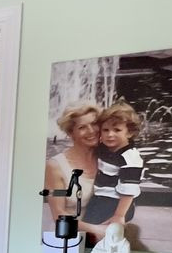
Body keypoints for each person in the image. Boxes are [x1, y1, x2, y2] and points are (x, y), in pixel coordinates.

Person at [44, 102, 102, 240]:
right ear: (71, 133)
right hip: (68, 241)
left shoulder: (106, 160)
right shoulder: (55, 166)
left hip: (100, 240)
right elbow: (59, 214)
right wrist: (97, 230)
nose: (91, 131)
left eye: (94, 124)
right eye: (82, 127)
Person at [83, 101, 144, 231]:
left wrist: (119, 215)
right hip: (100, 199)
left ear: (130, 132)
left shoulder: (130, 158)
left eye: (117, 130)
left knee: (92, 231)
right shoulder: (105, 148)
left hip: (115, 203)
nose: (110, 134)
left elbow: (129, 191)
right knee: (88, 226)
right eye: (105, 130)